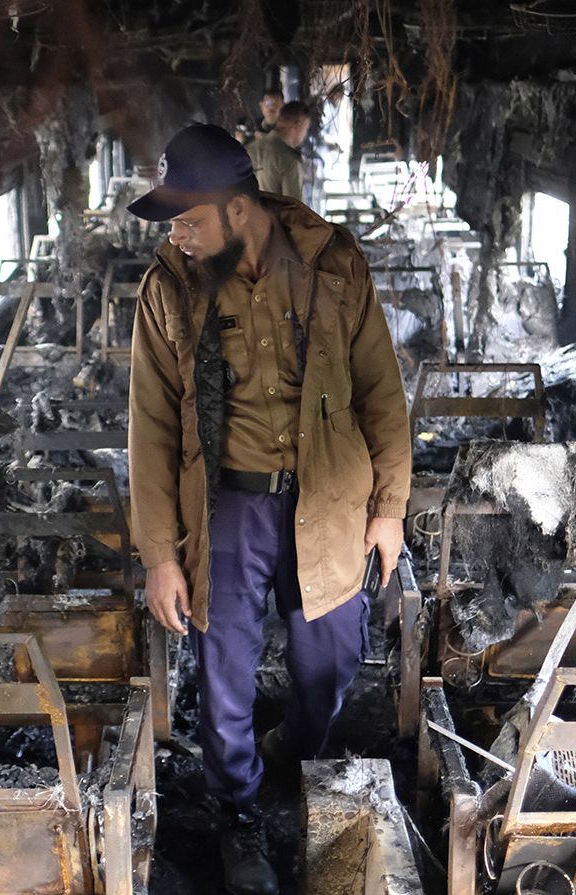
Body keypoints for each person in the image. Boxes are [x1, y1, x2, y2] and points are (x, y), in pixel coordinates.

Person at [125, 124, 409, 895]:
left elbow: (382, 390)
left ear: (239, 209)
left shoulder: (333, 266)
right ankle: (239, 813)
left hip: (329, 497)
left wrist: (389, 507)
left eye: (188, 219)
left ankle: (290, 744)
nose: (177, 237)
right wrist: (159, 554)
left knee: (333, 661)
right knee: (224, 676)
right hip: (227, 509)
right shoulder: (170, 290)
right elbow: (149, 428)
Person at [246, 100, 312, 202]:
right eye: (306, 128)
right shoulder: (290, 160)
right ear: (298, 124)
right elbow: (293, 210)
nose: (305, 134)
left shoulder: (249, 149)